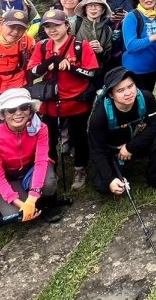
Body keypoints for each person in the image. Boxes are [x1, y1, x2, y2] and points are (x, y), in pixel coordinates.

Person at [27, 10, 99, 190]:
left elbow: (91, 72)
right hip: (50, 103)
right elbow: (32, 71)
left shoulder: (80, 45)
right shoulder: (42, 46)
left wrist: (71, 67)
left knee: (79, 136)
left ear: (66, 25)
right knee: (48, 139)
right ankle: (51, 171)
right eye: (48, 26)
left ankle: (80, 169)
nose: (52, 30)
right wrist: (49, 62)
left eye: (56, 25)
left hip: (77, 101)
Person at [87, 66, 156, 195]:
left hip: (136, 144)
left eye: (130, 86)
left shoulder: (146, 97)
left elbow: (155, 126)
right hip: (113, 151)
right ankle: (115, 175)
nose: (128, 93)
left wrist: (130, 147)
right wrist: (110, 179)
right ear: (111, 94)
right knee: (103, 187)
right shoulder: (100, 115)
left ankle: (155, 178)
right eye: (120, 90)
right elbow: (97, 150)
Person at [0, 88, 61, 223]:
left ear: (30, 110)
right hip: (9, 178)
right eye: (11, 109)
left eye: (24, 107)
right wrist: (19, 203)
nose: (18, 113)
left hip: (31, 170)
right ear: (4, 114)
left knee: (48, 183)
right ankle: (34, 202)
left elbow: (41, 161)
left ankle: (46, 201)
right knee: (13, 213)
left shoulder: (41, 128)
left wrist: (32, 197)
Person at [76, 0, 114, 87]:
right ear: (85, 9)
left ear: (103, 9)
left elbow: (108, 57)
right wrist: (85, 48)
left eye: (97, 5)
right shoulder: (75, 26)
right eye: (89, 5)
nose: (93, 8)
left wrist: (101, 50)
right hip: (78, 74)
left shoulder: (107, 30)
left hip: (99, 75)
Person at [101, 0, 133, 71]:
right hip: (109, 50)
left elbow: (144, 16)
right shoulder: (100, 1)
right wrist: (109, 20)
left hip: (131, 47)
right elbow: (95, 24)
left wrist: (130, 17)